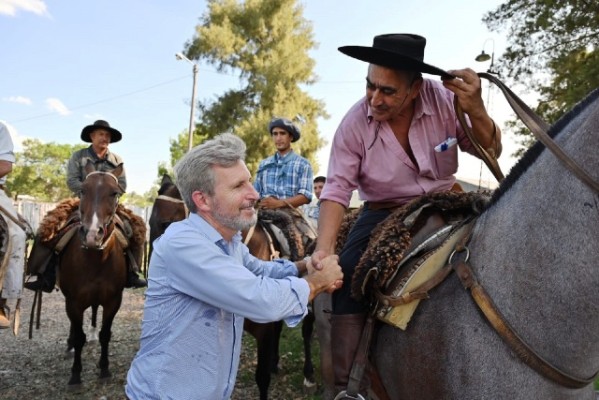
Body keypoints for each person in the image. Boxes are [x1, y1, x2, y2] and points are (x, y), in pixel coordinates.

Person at [310, 33, 502, 397]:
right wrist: (323, 251)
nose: (374, 99)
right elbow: (336, 190)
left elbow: (491, 148)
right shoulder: (354, 124)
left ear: (415, 89)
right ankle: (346, 389)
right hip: (384, 212)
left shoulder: (446, 100)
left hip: (448, 201)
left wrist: (475, 108)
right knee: (349, 274)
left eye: (388, 91)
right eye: (370, 86)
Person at [125, 133, 343, 400]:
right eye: (239, 186)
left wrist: (306, 263)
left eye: (250, 181)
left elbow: (261, 269)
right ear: (202, 200)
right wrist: (318, 281)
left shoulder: (230, 242)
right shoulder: (184, 245)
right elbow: (261, 299)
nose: (254, 193)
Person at [25, 120, 146, 292]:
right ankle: (43, 274)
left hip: (108, 203)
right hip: (81, 201)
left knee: (138, 227)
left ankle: (133, 272)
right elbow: (72, 180)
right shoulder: (79, 156)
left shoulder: (117, 160)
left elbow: (123, 185)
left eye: (107, 135)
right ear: (92, 136)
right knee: (48, 227)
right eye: (101, 134)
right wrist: (88, 191)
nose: (105, 138)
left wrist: (107, 193)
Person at [0, 121, 28, 329]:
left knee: (17, 233)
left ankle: (2, 299)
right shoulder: (79, 157)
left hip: (104, 200)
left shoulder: (0, 128)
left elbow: (5, 165)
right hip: (86, 197)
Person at [253, 117, 313, 210]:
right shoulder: (264, 164)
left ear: (291, 137)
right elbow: (255, 193)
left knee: (307, 225)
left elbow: (306, 196)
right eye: (275, 134)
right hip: (263, 214)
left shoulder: (303, 164)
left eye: (282, 133)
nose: (278, 138)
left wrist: (278, 203)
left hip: (292, 215)